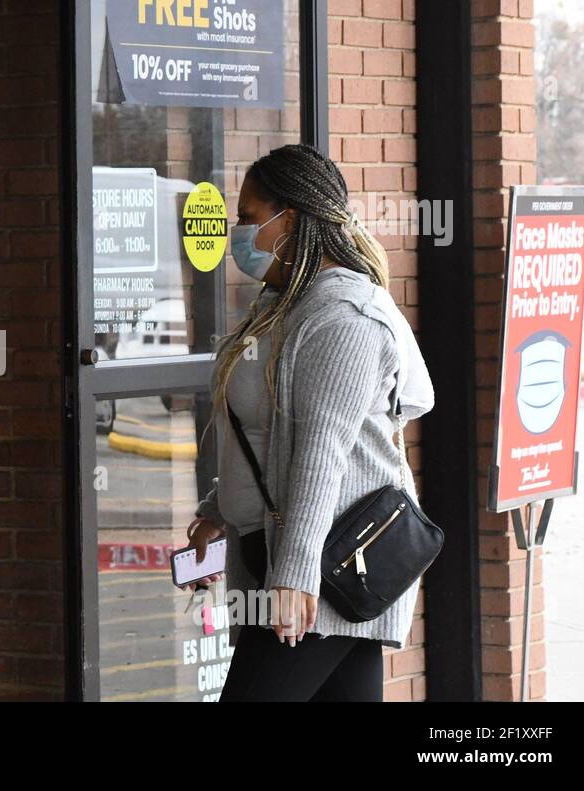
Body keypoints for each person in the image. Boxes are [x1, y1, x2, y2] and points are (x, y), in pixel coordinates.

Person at [178, 143, 434, 702]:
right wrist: (220, 510)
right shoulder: (285, 304)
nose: (237, 232)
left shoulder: (344, 317)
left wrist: (295, 576)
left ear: (287, 219)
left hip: (325, 571)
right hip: (295, 560)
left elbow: (321, 453)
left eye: (247, 216)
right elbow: (269, 438)